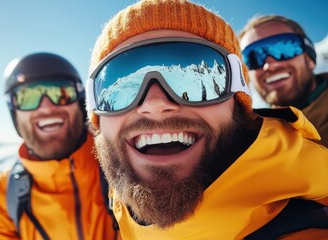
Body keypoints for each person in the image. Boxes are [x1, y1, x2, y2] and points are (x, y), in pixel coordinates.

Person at [85, 0, 328, 239]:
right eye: (115, 89)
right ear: (96, 118)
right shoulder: (115, 210)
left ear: (240, 106)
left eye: (196, 78)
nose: (155, 105)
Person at [0, 53, 118, 239]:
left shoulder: (124, 167)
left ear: (80, 102)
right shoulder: (3, 196)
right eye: (28, 97)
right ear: (14, 112)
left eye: (61, 93)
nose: (46, 107)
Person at [238, 15, 328, 147]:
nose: (270, 65)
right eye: (253, 57)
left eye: (283, 49)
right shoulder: (251, 140)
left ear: (309, 58)